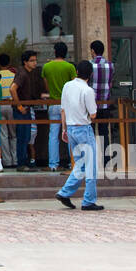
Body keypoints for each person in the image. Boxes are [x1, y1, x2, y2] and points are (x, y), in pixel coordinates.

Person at [55, 61, 103, 211]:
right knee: (90, 165)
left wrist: (64, 130)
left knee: (80, 164)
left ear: (76, 71)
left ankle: (65, 192)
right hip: (83, 129)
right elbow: (93, 114)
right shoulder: (87, 90)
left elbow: (63, 110)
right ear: (90, 74)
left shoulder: (67, 86)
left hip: (70, 128)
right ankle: (88, 200)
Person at [40, 41, 74, 170]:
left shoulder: (46, 67)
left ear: (55, 52)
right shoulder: (69, 67)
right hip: (68, 104)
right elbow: (73, 85)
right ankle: (72, 162)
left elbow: (47, 85)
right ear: (66, 53)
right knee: (70, 133)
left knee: (53, 135)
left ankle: (53, 164)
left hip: (53, 103)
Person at [9, 49, 44, 171]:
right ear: (25, 62)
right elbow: (12, 89)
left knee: (26, 136)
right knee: (23, 137)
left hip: (27, 109)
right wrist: (19, 106)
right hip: (21, 110)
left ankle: (25, 162)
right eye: (32, 60)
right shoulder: (22, 74)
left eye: (35, 60)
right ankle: (21, 164)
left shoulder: (29, 73)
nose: (35, 63)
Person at [0, 53, 17, 168]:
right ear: (9, 63)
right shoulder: (13, 75)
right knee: (13, 134)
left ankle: (7, 161)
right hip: (11, 105)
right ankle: (15, 159)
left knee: (3, 135)